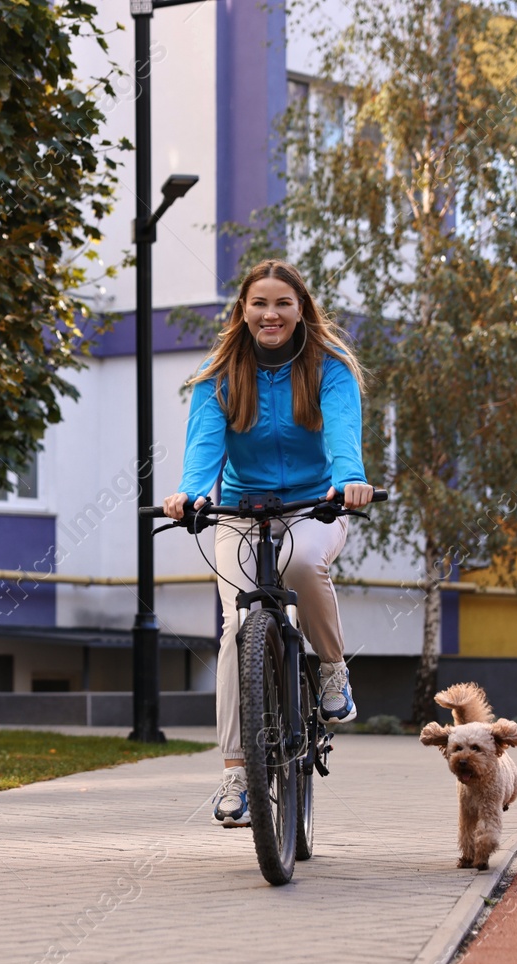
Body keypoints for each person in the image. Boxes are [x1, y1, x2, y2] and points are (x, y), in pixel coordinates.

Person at [162, 259, 374, 828]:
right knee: (237, 626)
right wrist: (190, 494)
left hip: (315, 504)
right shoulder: (219, 375)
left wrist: (348, 480)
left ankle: (332, 670)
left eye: (283, 303)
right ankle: (237, 773)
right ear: (243, 311)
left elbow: (341, 435)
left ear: (301, 308)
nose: (271, 313)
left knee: (305, 563)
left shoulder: (330, 369)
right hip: (240, 509)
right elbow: (204, 448)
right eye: (260, 303)